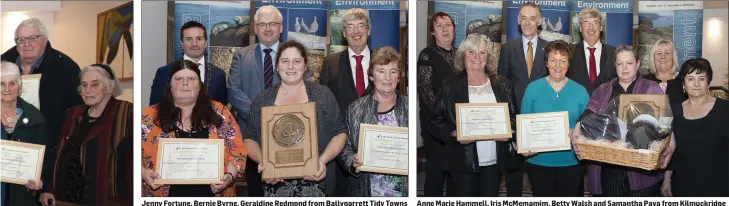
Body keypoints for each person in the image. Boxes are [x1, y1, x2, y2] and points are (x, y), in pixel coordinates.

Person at [246, 40, 347, 197]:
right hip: (276, 186)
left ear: (305, 66)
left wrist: (322, 161)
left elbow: (340, 132)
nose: (290, 66)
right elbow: (249, 138)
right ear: (277, 66)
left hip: (317, 184)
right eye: (285, 61)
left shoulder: (323, 95)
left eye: (297, 61)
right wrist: (264, 163)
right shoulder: (262, 99)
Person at [429, 34, 519, 197]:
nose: (477, 57)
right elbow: (434, 121)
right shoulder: (450, 84)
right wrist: (453, 133)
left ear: (488, 57)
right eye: (471, 52)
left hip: (494, 161)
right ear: (463, 55)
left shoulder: (502, 84)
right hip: (463, 161)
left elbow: (513, 117)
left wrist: (508, 130)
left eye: (482, 53)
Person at [141, 60, 246, 197]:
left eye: (191, 78)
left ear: (200, 86)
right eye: (178, 78)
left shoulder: (220, 112)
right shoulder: (147, 117)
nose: (185, 83)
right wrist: (142, 172)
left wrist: (229, 176)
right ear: (169, 86)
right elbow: (130, 155)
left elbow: (237, 149)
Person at [573, 46, 664, 197]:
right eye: (620, 64)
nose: (625, 68)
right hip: (608, 168)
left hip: (641, 171)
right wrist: (578, 126)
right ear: (615, 66)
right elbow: (590, 111)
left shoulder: (651, 87)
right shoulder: (603, 89)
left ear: (638, 64)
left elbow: (664, 124)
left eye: (629, 63)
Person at [37, 64, 132, 205]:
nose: (88, 91)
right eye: (84, 85)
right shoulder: (72, 114)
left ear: (111, 87)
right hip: (65, 199)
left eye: (95, 85)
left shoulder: (127, 113)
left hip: (106, 200)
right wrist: (49, 188)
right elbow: (59, 154)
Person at [0, 18, 84, 173]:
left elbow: (76, 112)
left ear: (44, 40)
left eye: (33, 38)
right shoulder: (2, 63)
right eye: (21, 40)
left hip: (48, 146)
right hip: (6, 145)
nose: (27, 44)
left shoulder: (65, 68)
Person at [519, 40, 589, 197]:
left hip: (572, 162)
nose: (558, 65)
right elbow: (524, 124)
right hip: (538, 162)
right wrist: (523, 146)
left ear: (569, 64)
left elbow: (589, 127)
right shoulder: (532, 89)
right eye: (553, 60)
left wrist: (578, 132)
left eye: (563, 61)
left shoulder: (581, 91)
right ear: (546, 63)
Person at [228, 5, 283, 197]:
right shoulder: (242, 55)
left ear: (281, 27)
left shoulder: (292, 54)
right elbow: (234, 91)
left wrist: (278, 118)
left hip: (285, 133)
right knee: (255, 190)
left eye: (273, 24)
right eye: (262, 24)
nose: (267, 28)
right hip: (251, 133)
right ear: (255, 28)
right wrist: (262, 115)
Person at [339, 46, 408, 197]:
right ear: (371, 75)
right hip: (365, 190)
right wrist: (353, 161)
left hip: (403, 190)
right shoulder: (355, 109)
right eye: (381, 71)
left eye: (393, 71)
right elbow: (344, 148)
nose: (387, 78)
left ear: (399, 76)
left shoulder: (409, 107)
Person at [497, 2, 549, 196]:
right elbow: (501, 85)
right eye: (524, 18)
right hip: (515, 118)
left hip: (541, 118)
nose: (528, 23)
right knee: (514, 173)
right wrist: (505, 119)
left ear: (540, 21)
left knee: (540, 173)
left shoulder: (548, 49)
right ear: (518, 21)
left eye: (532, 18)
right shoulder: (508, 48)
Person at [319, 8, 372, 196]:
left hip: (374, 144)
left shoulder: (381, 61)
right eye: (350, 27)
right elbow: (322, 104)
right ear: (343, 33)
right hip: (339, 145)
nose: (356, 32)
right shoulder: (330, 62)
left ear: (368, 30)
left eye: (361, 26)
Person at [662, 58, 729, 197]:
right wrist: (667, 179)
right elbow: (672, 151)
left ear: (708, 82)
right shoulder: (674, 111)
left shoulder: (725, 109)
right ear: (684, 84)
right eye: (691, 78)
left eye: (702, 78)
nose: (696, 84)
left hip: (719, 186)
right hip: (683, 186)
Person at [417, 11, 457, 197]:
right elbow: (425, 91)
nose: (445, 29)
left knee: (455, 173)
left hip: (458, 123)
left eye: (448, 25)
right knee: (436, 172)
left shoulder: (460, 55)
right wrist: (447, 115)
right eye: (439, 26)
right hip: (436, 123)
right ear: (433, 32)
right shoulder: (427, 55)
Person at [0, 61, 51, 206]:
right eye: (1, 84)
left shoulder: (36, 118)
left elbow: (44, 160)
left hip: (21, 197)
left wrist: (38, 183)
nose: (7, 89)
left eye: (12, 83)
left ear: (20, 87)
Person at [150, 21, 227, 105]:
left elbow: (222, 111)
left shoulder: (218, 74)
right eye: (189, 39)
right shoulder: (164, 73)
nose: (194, 44)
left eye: (199, 39)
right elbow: (155, 109)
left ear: (206, 43)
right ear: (182, 44)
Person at [566, 8, 617, 94]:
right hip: (578, 106)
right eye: (586, 23)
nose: (591, 28)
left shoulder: (614, 53)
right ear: (580, 28)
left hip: (606, 106)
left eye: (595, 23)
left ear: (601, 27)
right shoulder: (569, 52)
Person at [643, 39, 685, 106]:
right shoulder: (644, 80)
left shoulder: (683, 79)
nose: (663, 57)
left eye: (667, 53)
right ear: (653, 58)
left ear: (673, 57)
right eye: (659, 53)